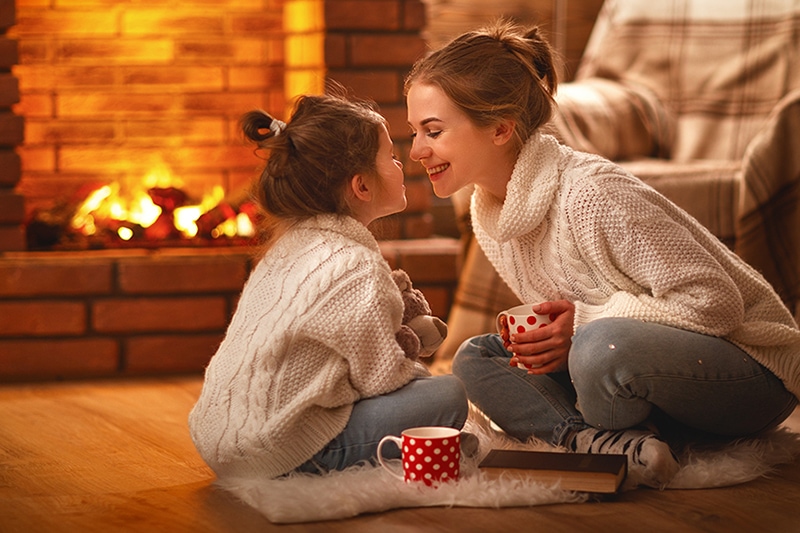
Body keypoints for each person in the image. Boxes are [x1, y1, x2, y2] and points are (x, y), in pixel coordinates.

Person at [405, 20, 800, 488]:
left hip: (749, 374)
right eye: (414, 133)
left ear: (500, 129)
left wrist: (583, 326)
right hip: (625, 371)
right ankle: (605, 444)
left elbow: (716, 302)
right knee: (475, 360)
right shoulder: (492, 213)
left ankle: (611, 428)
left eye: (432, 131)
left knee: (599, 348)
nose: (415, 152)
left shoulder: (592, 195)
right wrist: (552, 343)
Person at [188, 90, 470, 481]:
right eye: (389, 156)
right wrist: (414, 361)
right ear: (362, 187)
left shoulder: (285, 250)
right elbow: (383, 380)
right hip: (275, 451)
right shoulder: (357, 267)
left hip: (215, 438)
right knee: (447, 396)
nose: (402, 162)